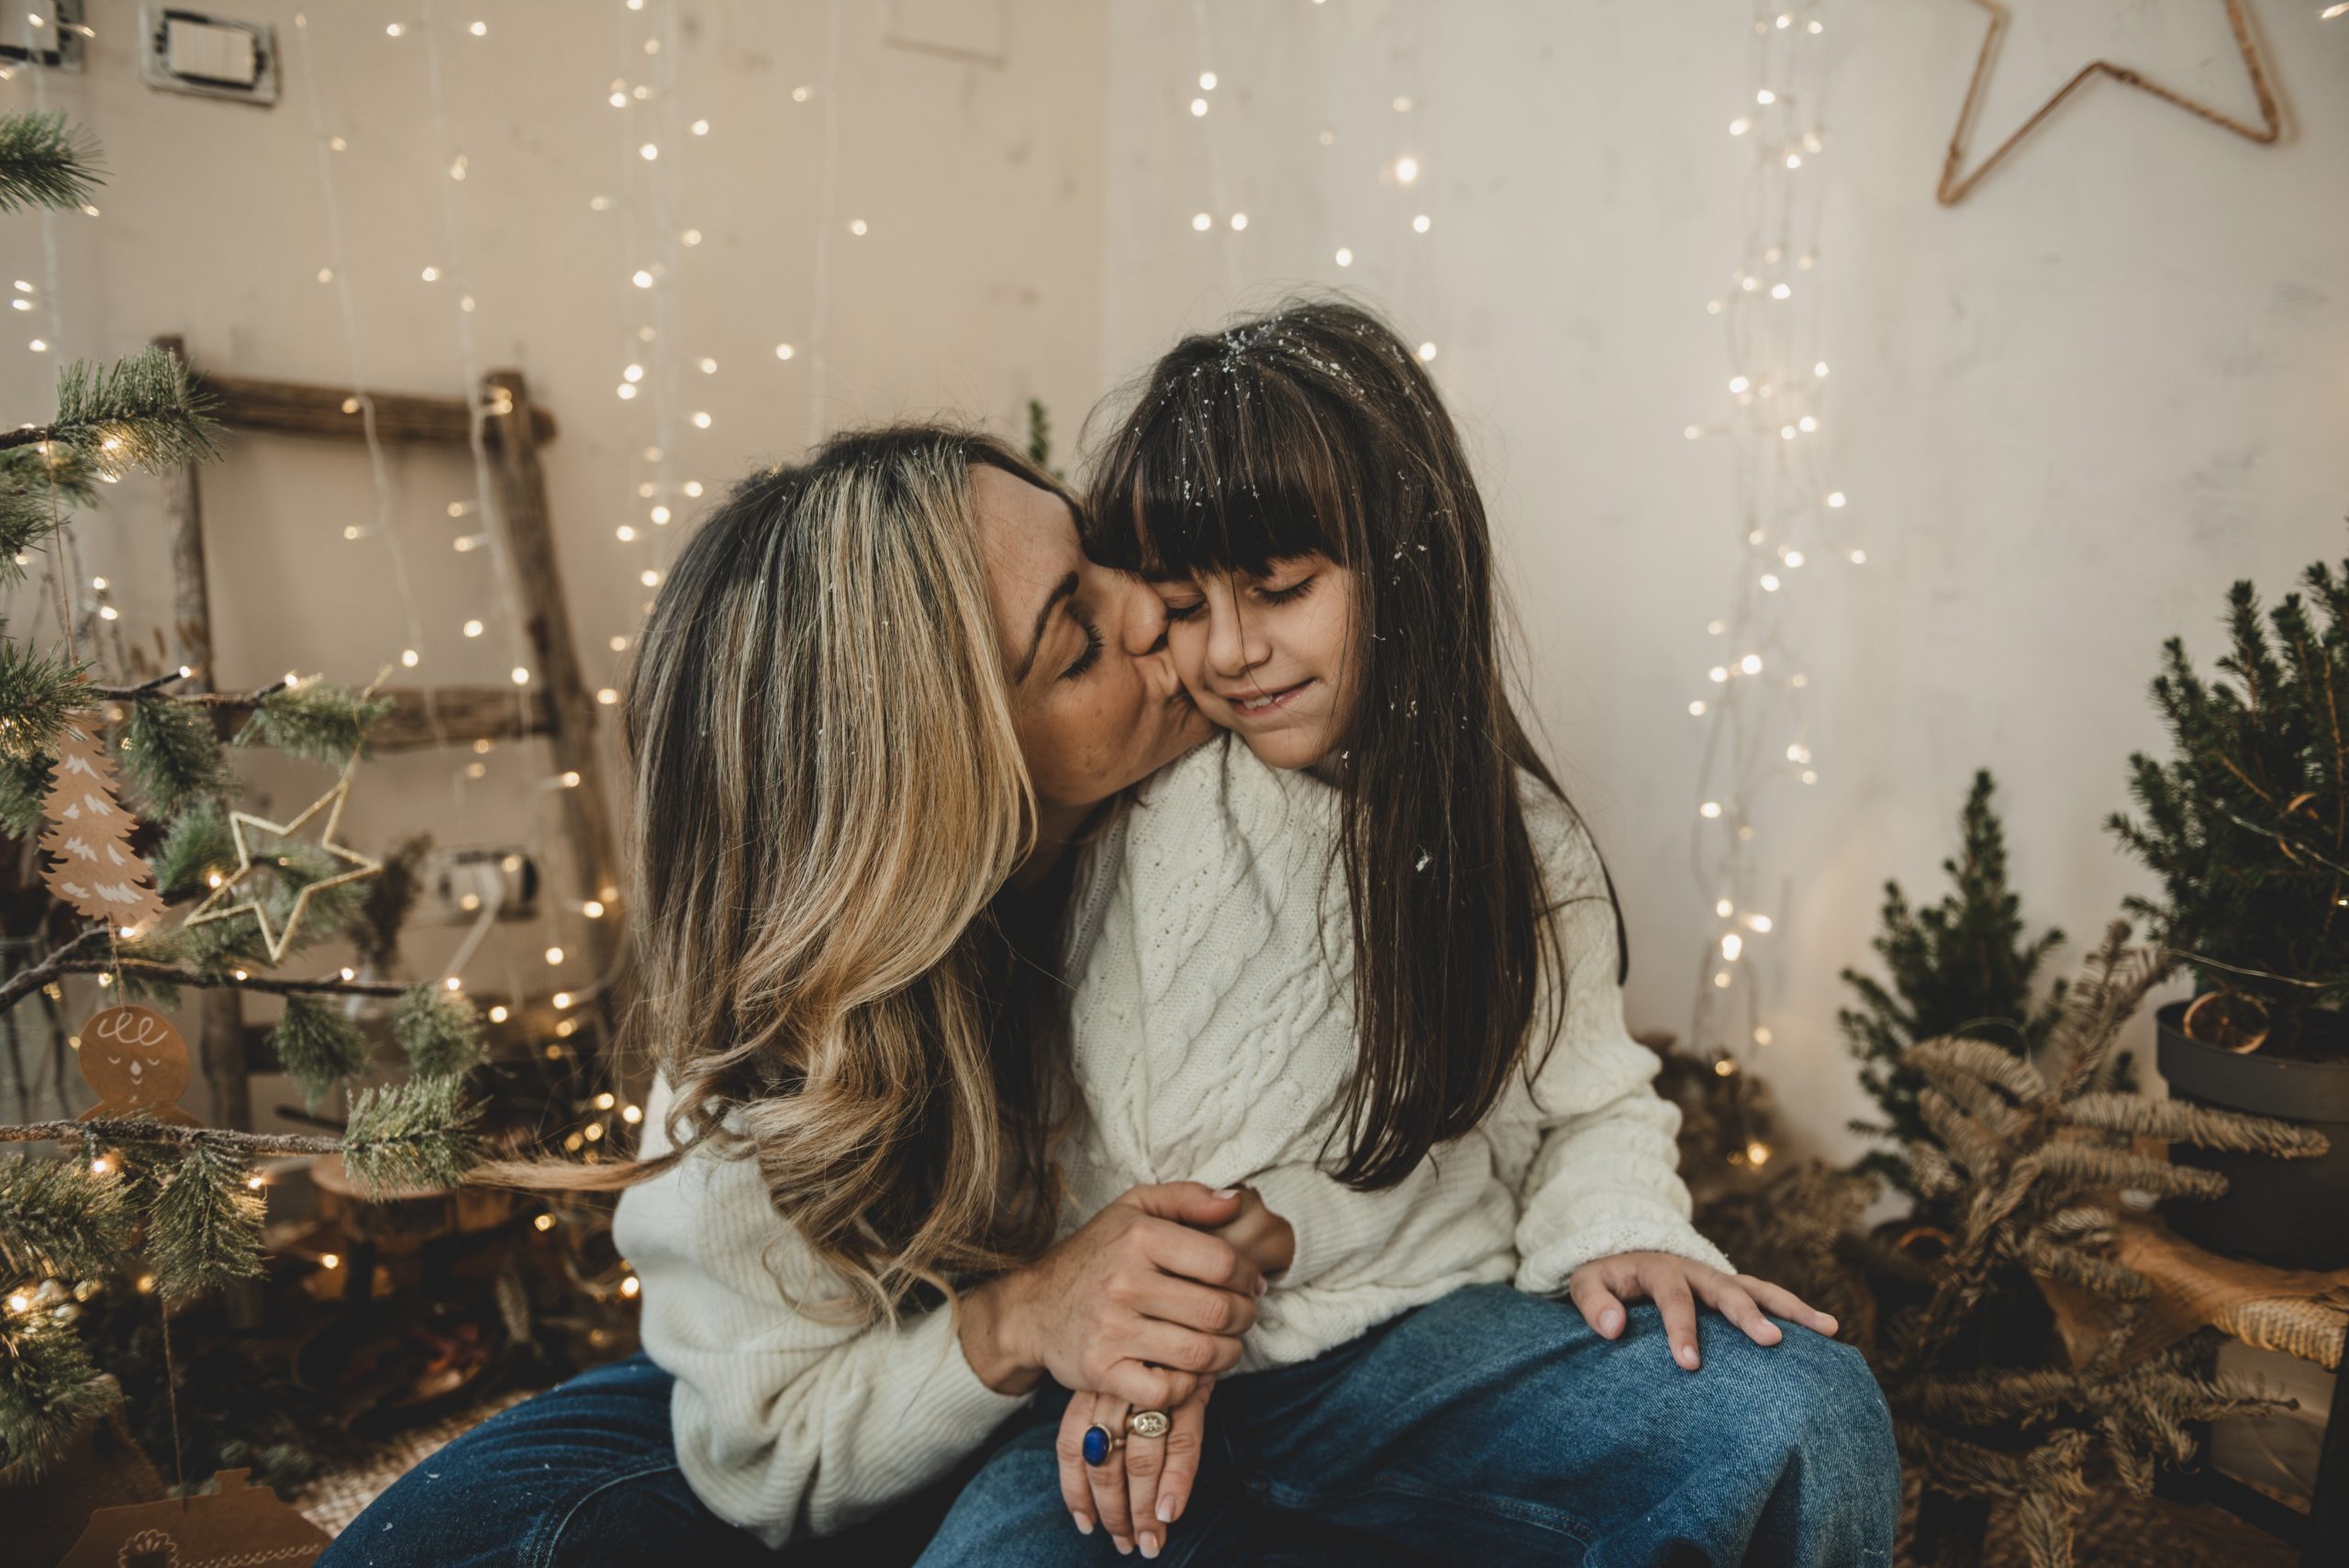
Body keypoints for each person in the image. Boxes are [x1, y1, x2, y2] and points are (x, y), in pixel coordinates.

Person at [906, 301, 1902, 1565]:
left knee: (1803, 1410)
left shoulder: (1516, 847)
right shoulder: (1131, 792)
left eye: (1277, 590)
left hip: (1426, 1352)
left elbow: (1590, 1105)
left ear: (1403, 565)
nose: (1231, 650)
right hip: (1125, 1391)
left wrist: (1626, 1232)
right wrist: (1127, 1344)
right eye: (1183, 600)